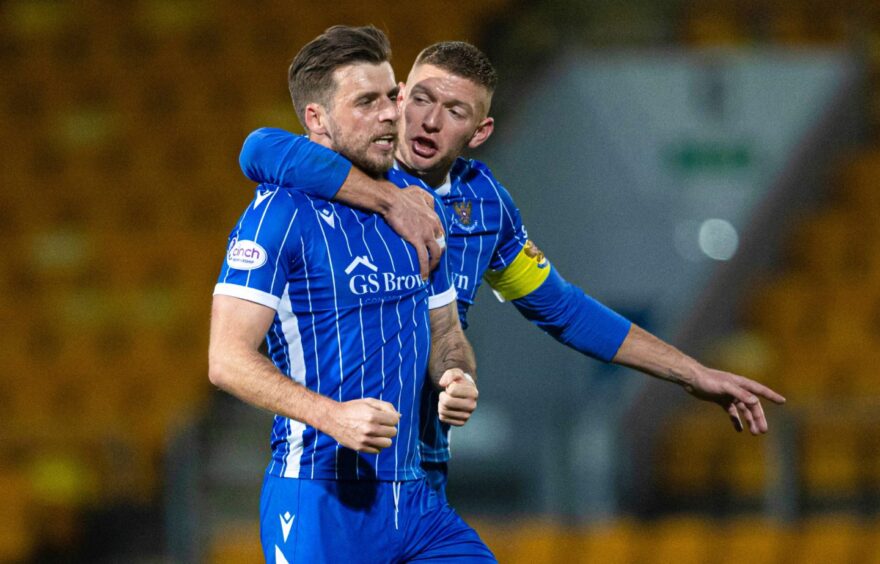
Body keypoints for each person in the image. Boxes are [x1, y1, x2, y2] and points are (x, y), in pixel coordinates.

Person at [238, 41, 787, 501]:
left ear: (480, 132)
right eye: (421, 99)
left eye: (455, 111)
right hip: (333, 467)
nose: (429, 120)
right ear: (398, 98)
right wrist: (388, 201)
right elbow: (261, 146)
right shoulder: (334, 172)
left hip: (423, 471)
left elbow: (564, 311)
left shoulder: (484, 206)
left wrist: (693, 374)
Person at [208, 26, 495, 562]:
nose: (391, 114)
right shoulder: (277, 215)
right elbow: (225, 360)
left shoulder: (416, 206)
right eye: (367, 101)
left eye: (392, 96)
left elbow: (445, 332)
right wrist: (332, 417)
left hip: (416, 502)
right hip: (319, 497)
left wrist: (456, 375)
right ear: (316, 119)